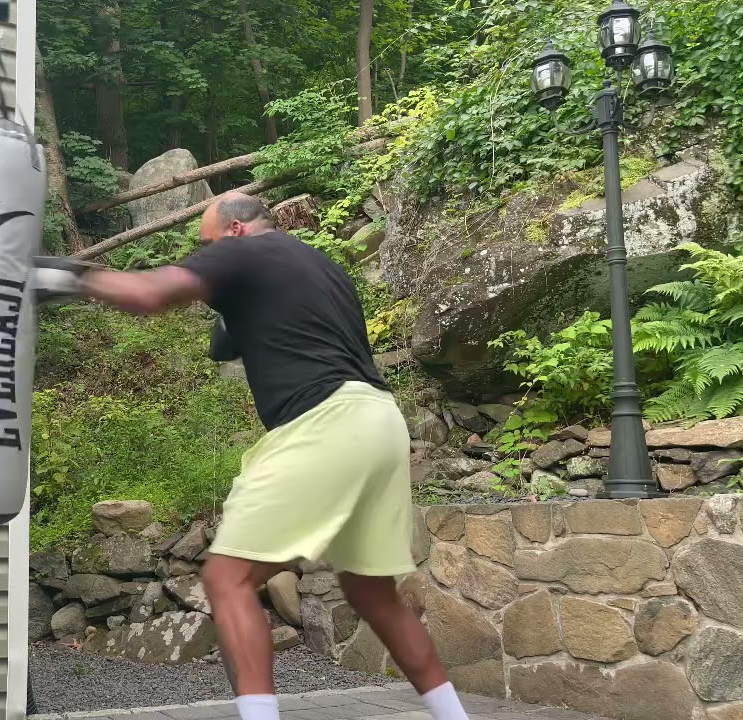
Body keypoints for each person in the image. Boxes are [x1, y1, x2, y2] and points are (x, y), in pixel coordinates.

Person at [34, 192, 469, 720]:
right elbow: (253, 332)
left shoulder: (242, 251)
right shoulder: (322, 266)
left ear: (236, 230)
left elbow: (151, 294)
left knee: (227, 580)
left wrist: (69, 278)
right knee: (373, 593)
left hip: (323, 422)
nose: (204, 253)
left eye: (206, 244)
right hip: (379, 422)